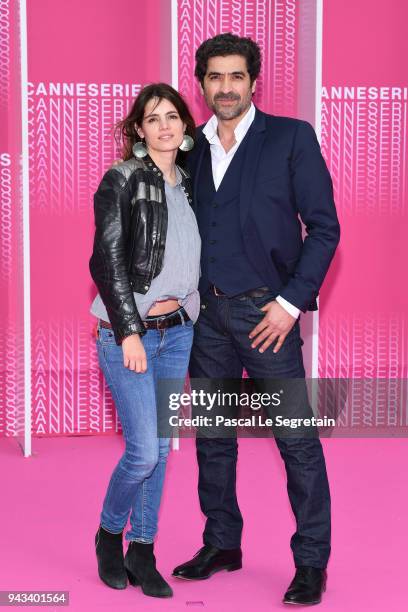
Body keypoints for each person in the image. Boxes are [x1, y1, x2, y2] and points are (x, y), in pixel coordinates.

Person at [171, 33, 340, 606]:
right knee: (213, 439)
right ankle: (222, 543)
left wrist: (289, 304)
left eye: (235, 77)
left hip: (266, 315)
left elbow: (324, 227)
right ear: (202, 84)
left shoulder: (291, 138)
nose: (225, 87)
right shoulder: (189, 147)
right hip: (206, 317)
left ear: (252, 81)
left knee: (296, 442)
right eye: (214, 77)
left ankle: (312, 563)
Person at [89, 83, 200, 599]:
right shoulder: (122, 179)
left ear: (184, 126)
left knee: (160, 448)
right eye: (152, 118)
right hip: (128, 335)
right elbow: (106, 261)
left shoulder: (191, 184)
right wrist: (129, 330)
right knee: (143, 454)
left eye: (172, 116)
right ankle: (111, 533)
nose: (164, 126)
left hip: (177, 334)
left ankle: (144, 549)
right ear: (138, 129)